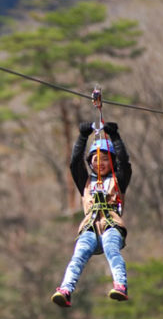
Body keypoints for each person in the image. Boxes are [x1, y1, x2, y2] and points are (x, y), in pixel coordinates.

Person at [51, 121, 132, 307]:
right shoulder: (85, 181)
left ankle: (120, 285)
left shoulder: (119, 179)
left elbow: (124, 162)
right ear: (90, 163)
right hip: (89, 227)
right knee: (78, 254)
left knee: (112, 248)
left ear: (111, 161)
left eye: (105, 159)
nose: (100, 163)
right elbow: (74, 163)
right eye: (96, 159)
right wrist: (82, 136)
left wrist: (115, 136)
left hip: (111, 225)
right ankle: (66, 290)